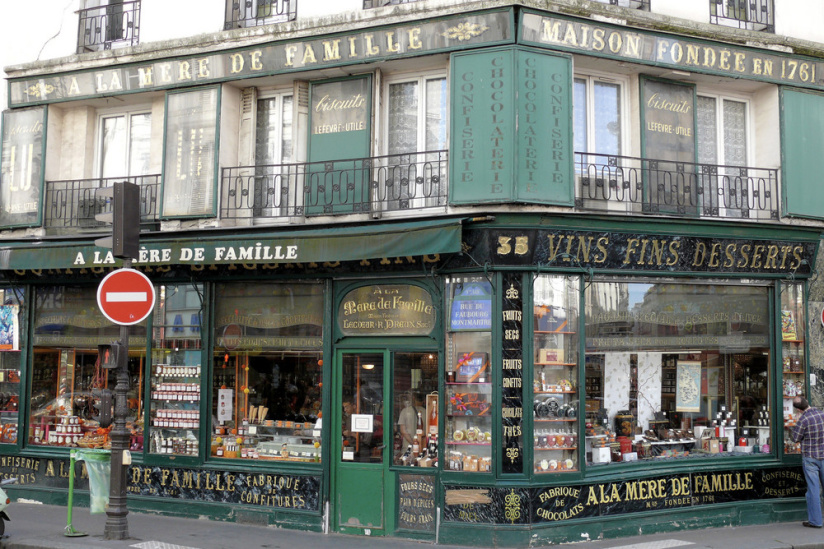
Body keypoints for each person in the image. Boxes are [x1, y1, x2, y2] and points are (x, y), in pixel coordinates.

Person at [791, 396, 824, 528]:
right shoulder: (822, 414)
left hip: (810, 457)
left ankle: (816, 521)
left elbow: (795, 438)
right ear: (808, 402)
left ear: (798, 410)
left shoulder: (803, 420)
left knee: (813, 490)